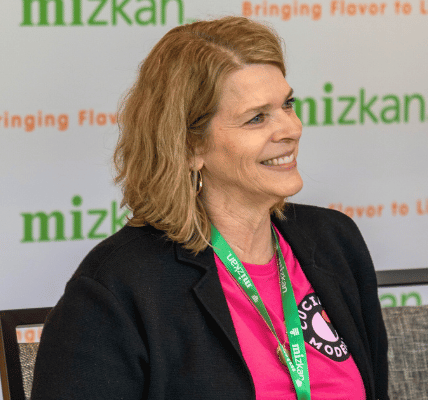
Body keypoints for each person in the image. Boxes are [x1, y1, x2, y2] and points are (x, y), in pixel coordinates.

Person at [30, 16, 389, 400]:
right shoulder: (119, 286)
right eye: (257, 118)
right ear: (190, 147)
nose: (291, 128)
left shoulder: (334, 240)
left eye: (288, 104)